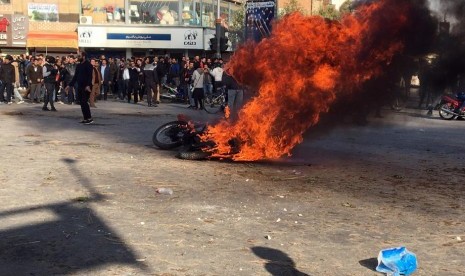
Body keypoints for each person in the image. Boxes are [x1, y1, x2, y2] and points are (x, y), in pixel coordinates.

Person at [68, 52, 94, 124]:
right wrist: (69, 85)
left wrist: (88, 85)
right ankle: (85, 118)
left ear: (84, 56)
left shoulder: (88, 65)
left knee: (84, 102)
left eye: (79, 56)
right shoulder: (79, 65)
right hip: (80, 86)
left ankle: (89, 118)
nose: (78, 57)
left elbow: (90, 76)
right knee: (81, 103)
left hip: (86, 87)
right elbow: (75, 76)